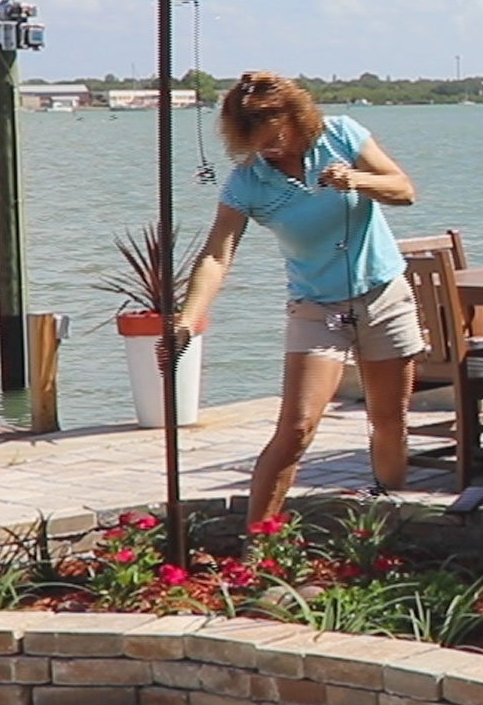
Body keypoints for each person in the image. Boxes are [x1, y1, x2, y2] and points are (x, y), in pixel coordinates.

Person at [159, 70, 424, 524]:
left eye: (273, 138)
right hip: (316, 308)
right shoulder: (247, 182)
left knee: (389, 421)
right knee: (297, 428)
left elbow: (404, 190)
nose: (267, 150)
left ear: (296, 117)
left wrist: (356, 180)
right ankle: (257, 550)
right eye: (254, 142)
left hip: (383, 296)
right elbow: (216, 257)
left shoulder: (341, 134)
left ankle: (387, 529)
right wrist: (187, 320)